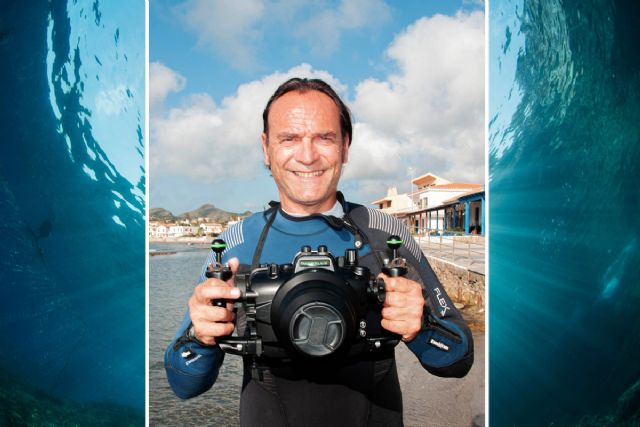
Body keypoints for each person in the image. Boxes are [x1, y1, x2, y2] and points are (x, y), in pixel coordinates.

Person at [165, 77, 473, 426]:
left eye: (324, 138)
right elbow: (183, 384)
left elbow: (458, 359)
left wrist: (422, 327)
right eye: (289, 138)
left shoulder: (384, 234)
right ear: (266, 148)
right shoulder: (237, 242)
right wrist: (201, 337)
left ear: (345, 145)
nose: (308, 155)